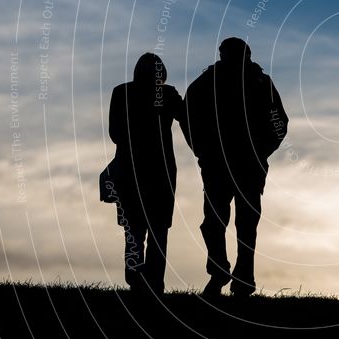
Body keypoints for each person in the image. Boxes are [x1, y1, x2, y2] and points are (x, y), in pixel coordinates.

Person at [181, 38, 288, 298]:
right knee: (215, 222)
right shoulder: (208, 82)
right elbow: (188, 116)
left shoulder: (261, 83)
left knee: (245, 224)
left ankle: (243, 279)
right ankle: (219, 273)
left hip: (248, 166)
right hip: (218, 163)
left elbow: (279, 122)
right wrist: (202, 151)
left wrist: (261, 150)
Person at [109, 53, 183, 296]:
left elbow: (115, 133)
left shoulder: (122, 93)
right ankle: (153, 283)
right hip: (160, 170)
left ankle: (136, 278)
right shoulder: (169, 95)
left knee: (134, 229)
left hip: (131, 168)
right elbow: (188, 118)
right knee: (158, 230)